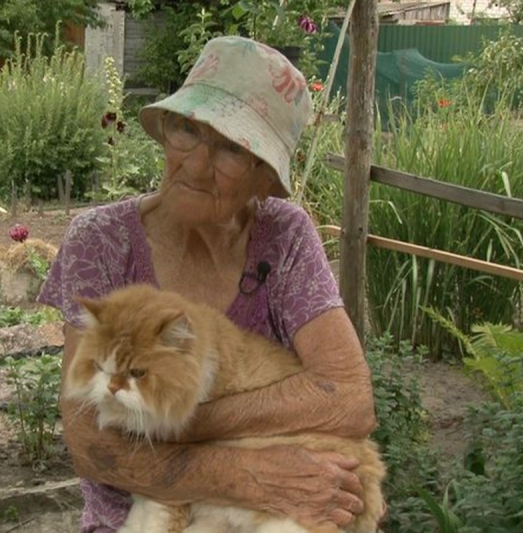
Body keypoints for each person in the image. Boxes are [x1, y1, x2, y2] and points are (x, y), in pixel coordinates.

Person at [37, 35, 376, 533]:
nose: (196, 165)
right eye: (188, 132)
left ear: (264, 176)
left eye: (231, 150)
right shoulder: (101, 240)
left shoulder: (284, 236)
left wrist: (175, 420)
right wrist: (242, 472)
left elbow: (349, 400)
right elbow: (93, 444)